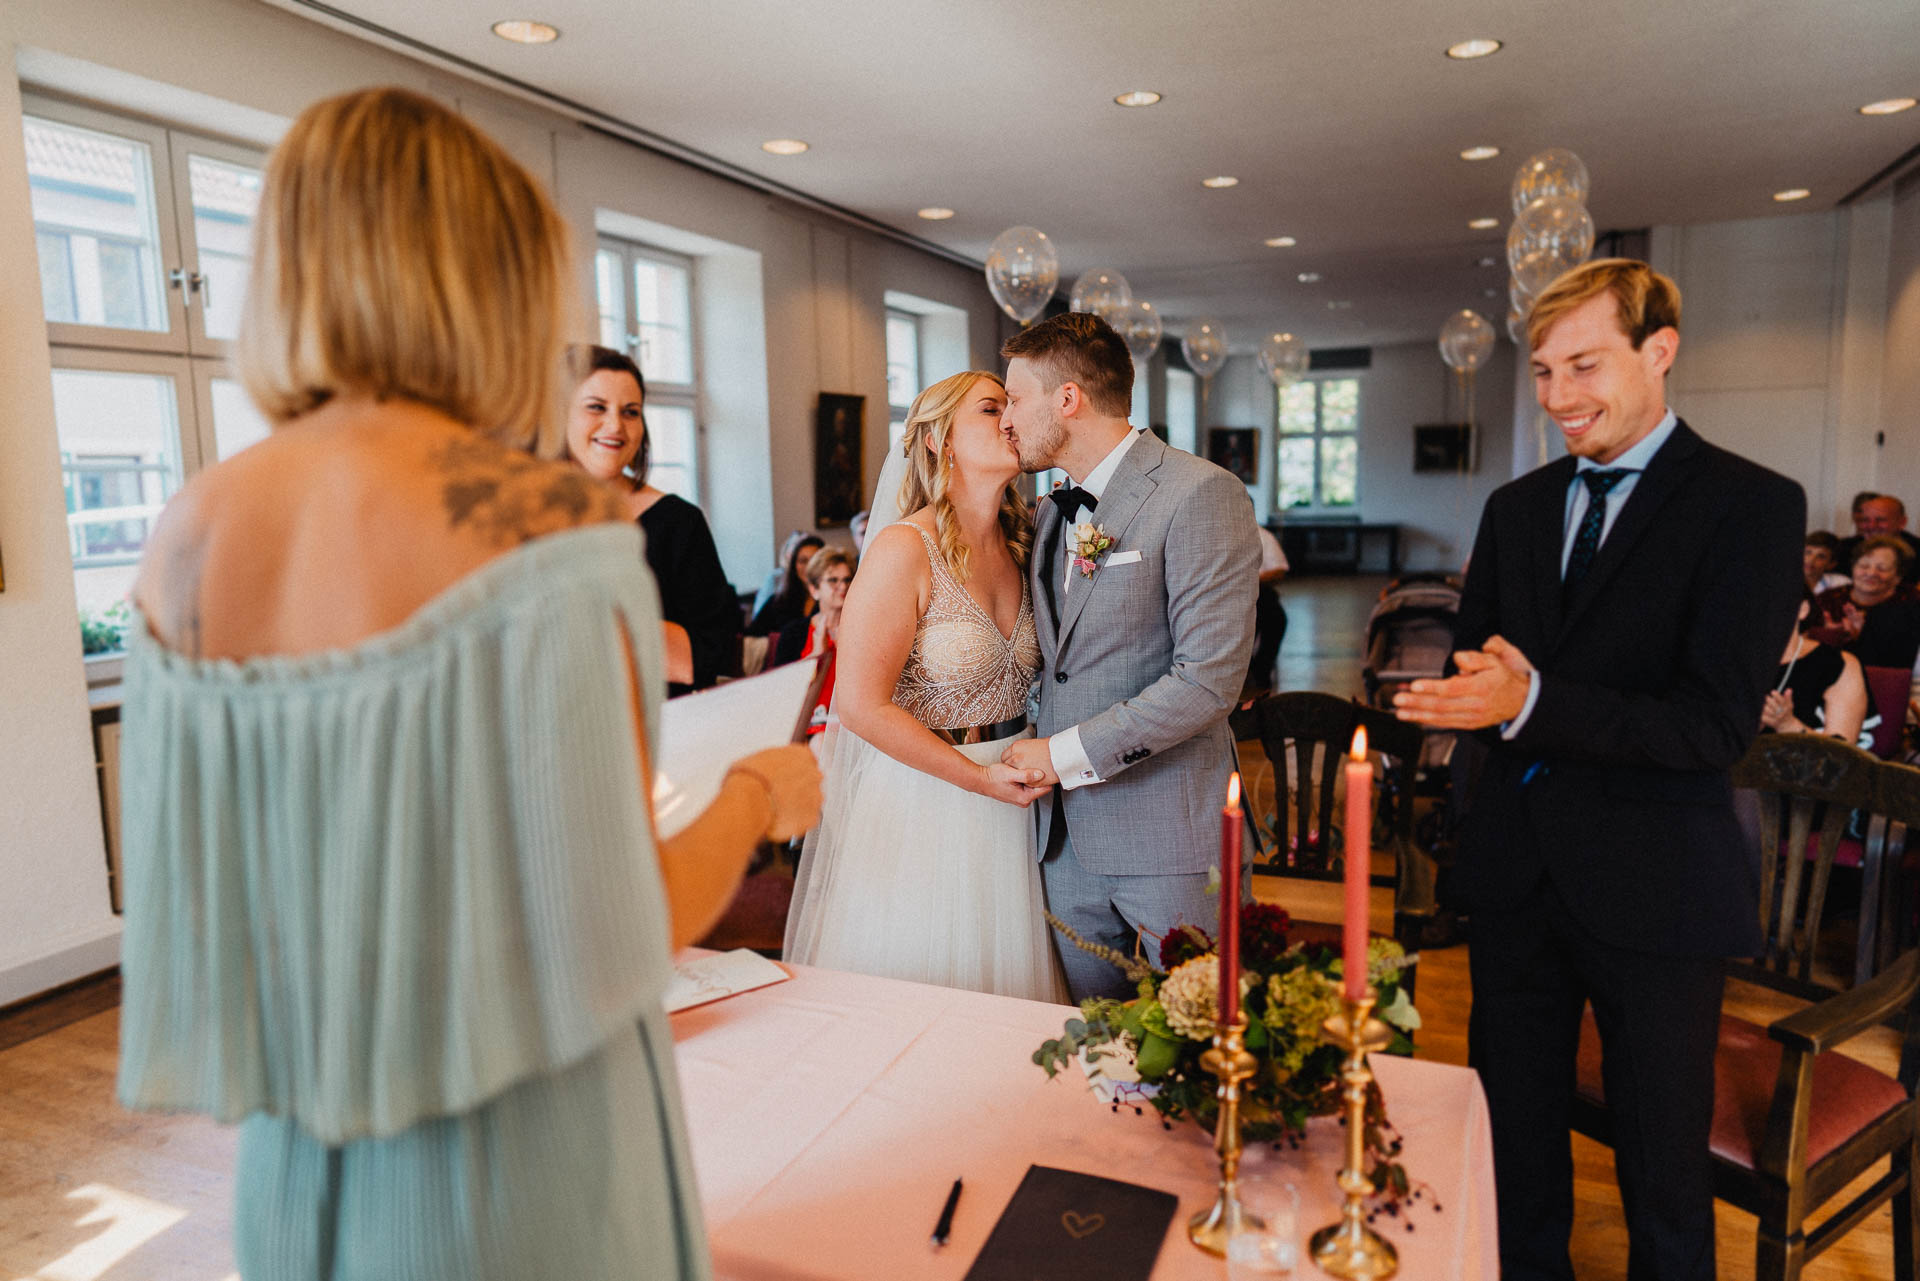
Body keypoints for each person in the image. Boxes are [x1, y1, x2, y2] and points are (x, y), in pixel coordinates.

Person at [112, 87, 821, 1281]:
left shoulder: (190, 533)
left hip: (305, 1147)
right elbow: (623, 924)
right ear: (492, 281)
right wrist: (759, 791)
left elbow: (210, 914)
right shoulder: (537, 522)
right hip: (519, 1149)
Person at [1394, 259, 1804, 1281]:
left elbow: (1712, 728)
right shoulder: (1518, 508)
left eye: (1584, 364)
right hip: (1517, 876)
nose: (1558, 396)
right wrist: (1474, 693)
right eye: (1542, 372)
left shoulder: (1750, 507)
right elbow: (1483, 664)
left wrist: (1527, 703)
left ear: (1660, 351)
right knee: (1516, 1149)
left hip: (1659, 889)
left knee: (1664, 1178)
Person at [996, 312, 1262, 1003]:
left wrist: (1060, 754)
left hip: (1168, 838)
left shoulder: (1201, 493)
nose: (1006, 419)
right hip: (1064, 846)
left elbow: (1207, 682)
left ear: (1067, 399)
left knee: (1205, 1050)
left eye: (1015, 398)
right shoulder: (1052, 514)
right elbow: (1057, 666)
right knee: (1101, 1058)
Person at [785, 371, 1063, 1001]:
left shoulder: (1025, 543)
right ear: (939, 440)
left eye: (1013, 407)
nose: (1012, 420)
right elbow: (858, 705)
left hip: (1018, 791)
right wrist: (978, 779)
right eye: (992, 409)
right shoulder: (902, 549)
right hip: (928, 802)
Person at [564, 344, 739, 696]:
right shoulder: (515, 516)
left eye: (631, 412)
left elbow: (715, 650)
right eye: (596, 407)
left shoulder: (678, 523)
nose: (615, 425)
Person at [1763, 592, 1868, 744]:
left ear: (1803, 609)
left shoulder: (1836, 664)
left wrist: (1788, 725)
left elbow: (1841, 756)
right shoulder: (1727, 659)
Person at [773, 546, 853, 741]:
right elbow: (781, 691)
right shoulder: (795, 632)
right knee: (820, 744)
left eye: (847, 580)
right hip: (809, 724)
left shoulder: (861, 628)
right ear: (814, 589)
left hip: (852, 723)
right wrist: (817, 656)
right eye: (833, 580)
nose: (842, 587)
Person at [1810, 535, 1920, 672]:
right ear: (1853, 568)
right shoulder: (1827, 600)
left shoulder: (1911, 604)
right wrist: (1826, 635)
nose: (1871, 573)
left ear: (1898, 577)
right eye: (1864, 566)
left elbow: (1901, 662)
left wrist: (1865, 636)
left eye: (1882, 568)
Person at [747, 531, 822, 636]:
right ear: (794, 566)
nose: (809, 567)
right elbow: (752, 634)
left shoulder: (834, 601)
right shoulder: (778, 602)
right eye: (803, 561)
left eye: (814, 560)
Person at [1838, 493, 1920, 588]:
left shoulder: (1917, 550)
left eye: (1881, 520)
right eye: (1865, 520)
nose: (1871, 526)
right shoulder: (1843, 548)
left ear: (1902, 522)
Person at [1803, 529, 1849, 594]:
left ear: (1831, 564)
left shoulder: (1840, 584)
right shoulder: (1786, 580)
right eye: (1808, 552)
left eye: (1821, 556)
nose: (1811, 560)